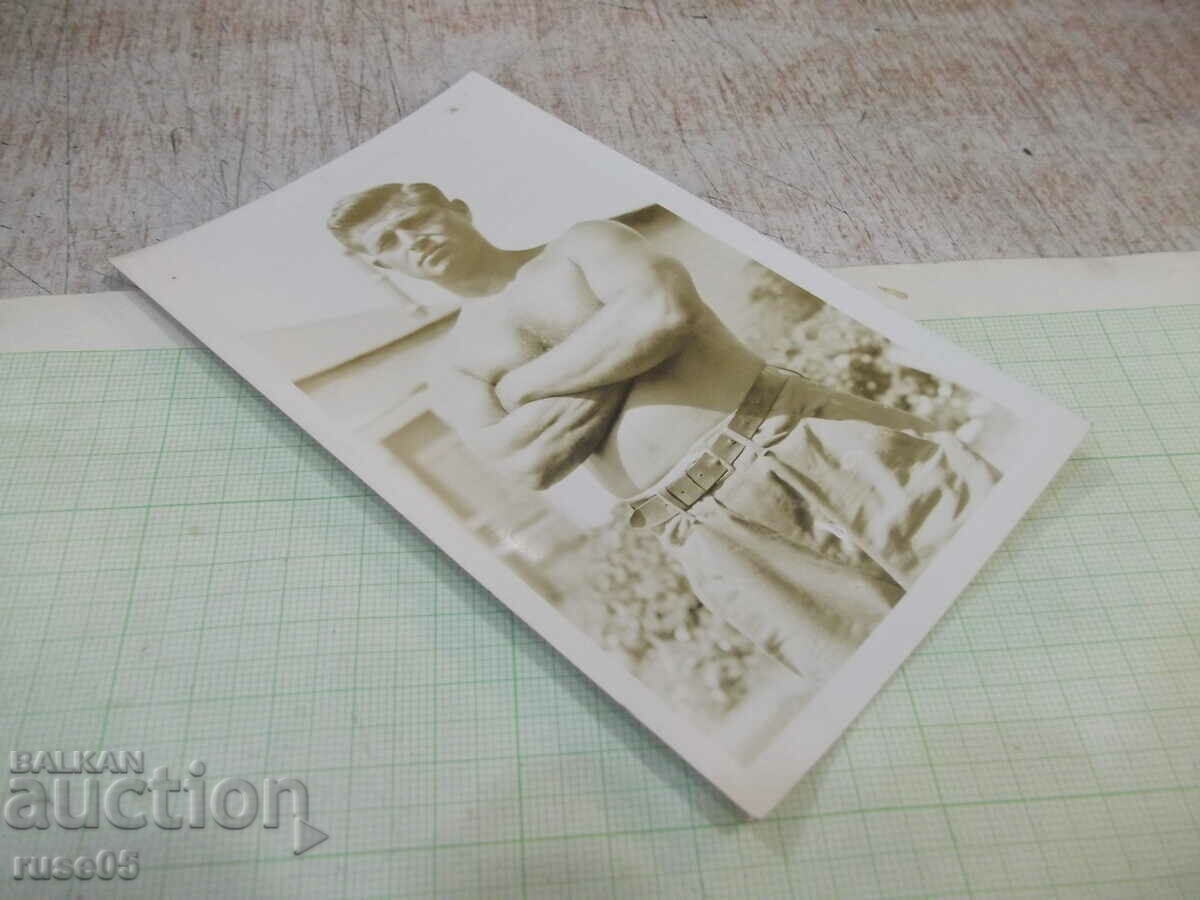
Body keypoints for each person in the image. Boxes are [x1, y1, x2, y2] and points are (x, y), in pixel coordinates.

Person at [327, 183, 1000, 679]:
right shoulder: (447, 366)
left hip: (802, 439)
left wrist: (525, 385)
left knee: (1003, 570)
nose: (410, 241)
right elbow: (520, 464)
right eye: (387, 245)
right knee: (892, 683)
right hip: (708, 533)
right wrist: (615, 340)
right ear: (385, 269)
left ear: (456, 207)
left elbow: (662, 313)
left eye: (413, 220)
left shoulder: (583, 245)